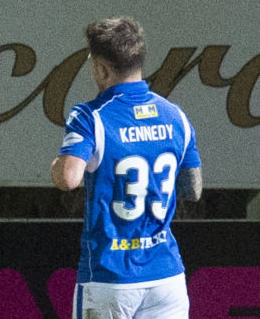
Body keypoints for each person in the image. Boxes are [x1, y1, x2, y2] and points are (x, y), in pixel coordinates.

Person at [51, 17, 202, 319]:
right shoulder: (175, 116)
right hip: (166, 275)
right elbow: (193, 190)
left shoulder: (90, 116)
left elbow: (68, 179)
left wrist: (58, 164)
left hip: (111, 276)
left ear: (101, 69)